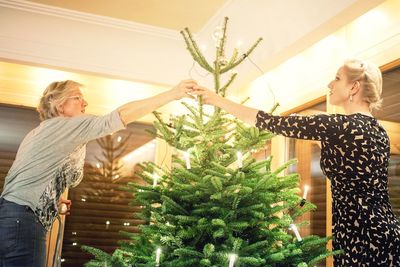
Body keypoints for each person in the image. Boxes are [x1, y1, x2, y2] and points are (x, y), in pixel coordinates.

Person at [190, 59, 400, 266]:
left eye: (337, 78)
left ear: (354, 86)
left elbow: (270, 122)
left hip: (360, 239)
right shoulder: (378, 131)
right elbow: (351, 167)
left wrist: (218, 101)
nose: (330, 85)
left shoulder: (338, 126)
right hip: (381, 232)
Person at [0, 79, 196, 266]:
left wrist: (51, 199)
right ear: (59, 106)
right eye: (77, 97)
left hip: (10, 217)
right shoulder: (67, 126)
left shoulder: (39, 133)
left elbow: (23, 178)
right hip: (22, 222)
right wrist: (172, 94)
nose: (85, 102)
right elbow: (119, 117)